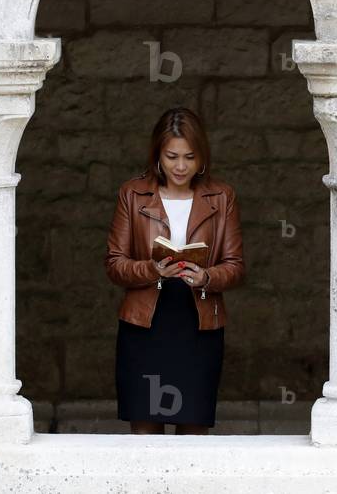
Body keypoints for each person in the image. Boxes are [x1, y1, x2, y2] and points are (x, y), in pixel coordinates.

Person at [105, 106, 245, 435]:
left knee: (193, 434)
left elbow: (236, 267)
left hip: (199, 325)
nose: (181, 166)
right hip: (144, 325)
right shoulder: (132, 194)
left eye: (190, 157)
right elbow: (114, 264)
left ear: (202, 157)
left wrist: (206, 277)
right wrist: (153, 269)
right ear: (158, 154)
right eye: (171, 157)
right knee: (145, 436)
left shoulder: (222, 197)